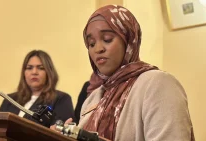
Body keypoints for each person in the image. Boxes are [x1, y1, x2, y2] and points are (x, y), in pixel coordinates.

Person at [52, 5, 195, 141]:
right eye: (91, 43)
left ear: (128, 39)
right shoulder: (94, 98)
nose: (98, 49)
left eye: (107, 39)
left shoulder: (158, 84)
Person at [0, 50, 75, 141]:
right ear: (24, 72)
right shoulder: (10, 99)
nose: (34, 72)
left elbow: (62, 134)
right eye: (29, 68)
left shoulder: (61, 99)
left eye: (41, 68)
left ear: (49, 72)